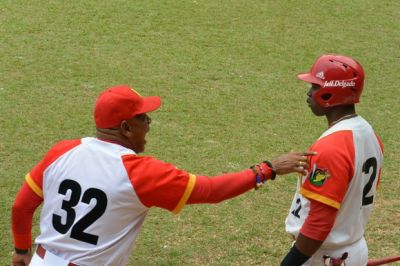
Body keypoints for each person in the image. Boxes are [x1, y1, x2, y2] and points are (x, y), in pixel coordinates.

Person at [11, 85, 313, 266]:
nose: (149, 122)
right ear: (125, 128)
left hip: (41, 259)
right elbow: (210, 190)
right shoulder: (139, 173)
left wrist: (21, 249)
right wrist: (267, 169)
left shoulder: (62, 151)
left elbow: (21, 206)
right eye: (143, 117)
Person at [281, 54, 384, 266]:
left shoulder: (331, 147)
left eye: (316, 87)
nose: (309, 94)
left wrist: (290, 263)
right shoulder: (369, 133)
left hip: (324, 256)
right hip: (352, 249)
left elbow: (319, 223)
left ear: (332, 92)